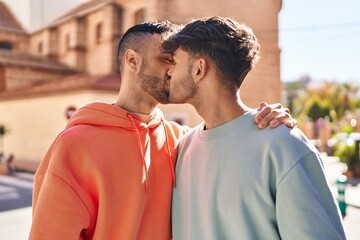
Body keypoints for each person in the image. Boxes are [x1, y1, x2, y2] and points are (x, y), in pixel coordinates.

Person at [29, 20, 296, 239]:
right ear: (132, 61)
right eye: (165, 60)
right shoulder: (75, 144)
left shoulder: (182, 141)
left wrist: (263, 118)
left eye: (176, 61)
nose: (173, 71)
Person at [162, 16, 346, 239]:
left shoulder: (283, 144)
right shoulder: (182, 148)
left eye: (175, 62)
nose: (168, 72)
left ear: (199, 69)